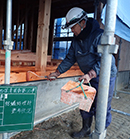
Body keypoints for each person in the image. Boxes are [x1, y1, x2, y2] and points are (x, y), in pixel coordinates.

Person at [47, 7, 117, 138]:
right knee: (85, 103)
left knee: (101, 105)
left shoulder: (99, 36)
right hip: (87, 77)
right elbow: (69, 59)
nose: (72, 30)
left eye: (73, 27)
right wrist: (57, 73)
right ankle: (86, 129)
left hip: (104, 76)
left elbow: (105, 61)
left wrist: (90, 74)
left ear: (82, 23)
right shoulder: (76, 40)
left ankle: (101, 133)